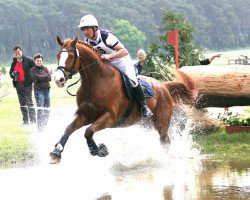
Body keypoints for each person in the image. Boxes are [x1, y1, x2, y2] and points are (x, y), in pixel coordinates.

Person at [78, 14, 152, 118]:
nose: (85, 32)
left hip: (121, 60)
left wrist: (109, 56)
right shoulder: (87, 42)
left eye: (87, 29)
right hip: (107, 64)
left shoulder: (106, 36)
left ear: (94, 28)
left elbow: (124, 51)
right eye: (83, 29)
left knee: (132, 80)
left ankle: (144, 106)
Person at [9, 45, 36, 125]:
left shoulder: (29, 60)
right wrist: (13, 74)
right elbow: (10, 73)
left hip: (27, 84)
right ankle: (25, 121)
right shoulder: (13, 63)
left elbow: (35, 70)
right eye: (15, 52)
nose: (17, 53)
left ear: (21, 51)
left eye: (18, 51)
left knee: (29, 102)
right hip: (18, 85)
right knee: (22, 103)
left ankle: (33, 120)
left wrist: (34, 81)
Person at [30, 53, 51, 131]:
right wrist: (45, 76)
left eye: (40, 61)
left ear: (42, 61)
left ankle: (45, 125)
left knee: (47, 109)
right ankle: (40, 127)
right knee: (40, 109)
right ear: (35, 61)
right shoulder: (32, 70)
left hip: (47, 91)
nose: (39, 62)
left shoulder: (46, 68)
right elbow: (36, 78)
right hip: (39, 92)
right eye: (37, 61)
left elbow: (50, 78)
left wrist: (42, 77)